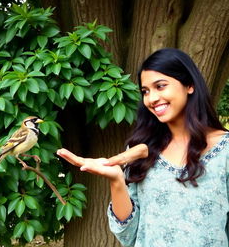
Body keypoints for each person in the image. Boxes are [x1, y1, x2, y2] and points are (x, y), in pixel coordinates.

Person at [57, 48, 229, 247]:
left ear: (189, 85)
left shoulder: (224, 150)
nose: (152, 99)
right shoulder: (141, 149)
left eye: (160, 86)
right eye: (145, 91)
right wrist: (116, 180)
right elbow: (129, 235)